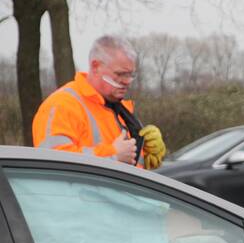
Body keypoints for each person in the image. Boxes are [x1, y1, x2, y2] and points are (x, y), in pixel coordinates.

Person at [33, 35, 166, 170]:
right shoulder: (62, 105)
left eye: (130, 75)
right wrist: (113, 155)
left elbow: (128, 165)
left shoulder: (122, 111)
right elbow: (53, 164)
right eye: (120, 74)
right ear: (95, 67)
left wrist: (147, 152)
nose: (127, 81)